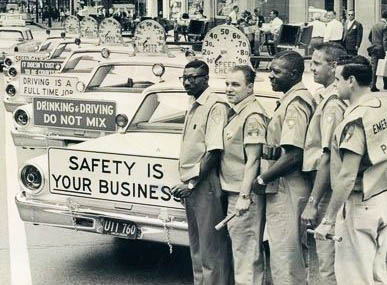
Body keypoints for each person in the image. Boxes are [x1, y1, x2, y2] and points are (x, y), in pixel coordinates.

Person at [315, 55, 387, 285]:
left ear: (351, 81)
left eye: (338, 79)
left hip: (359, 204)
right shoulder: (383, 104)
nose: (335, 84)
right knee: (379, 276)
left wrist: (329, 218)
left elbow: (346, 175)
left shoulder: (356, 119)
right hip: (383, 196)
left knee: (354, 277)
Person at [253, 50, 316, 284]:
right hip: (284, 184)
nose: (271, 76)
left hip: (287, 185)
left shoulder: (296, 103)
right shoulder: (291, 98)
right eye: (270, 70)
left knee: (285, 251)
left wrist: (262, 178)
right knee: (285, 249)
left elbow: (294, 154)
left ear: (295, 73)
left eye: (277, 71)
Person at [171, 60, 232, 285]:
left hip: (204, 184)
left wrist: (191, 184)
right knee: (196, 247)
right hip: (193, 186)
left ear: (206, 79)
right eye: (185, 77)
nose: (187, 82)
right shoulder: (193, 103)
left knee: (211, 249)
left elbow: (213, 152)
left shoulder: (214, 106)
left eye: (193, 77)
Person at [301, 42, 348, 285]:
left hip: (326, 191)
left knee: (326, 262)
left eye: (317, 63)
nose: (312, 68)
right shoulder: (326, 97)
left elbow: (328, 156)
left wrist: (313, 202)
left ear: (334, 67)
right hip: (325, 188)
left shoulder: (332, 103)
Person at [221, 65, 268, 285]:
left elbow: (254, 160)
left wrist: (244, 196)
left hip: (243, 194)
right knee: (241, 251)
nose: (229, 89)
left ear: (249, 87)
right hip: (233, 190)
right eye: (227, 84)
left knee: (247, 254)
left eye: (236, 84)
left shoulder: (252, 116)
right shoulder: (238, 111)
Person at [368, 10, 387, 92]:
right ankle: (386, 85)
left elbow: (370, 36)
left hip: (374, 48)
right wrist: (386, 50)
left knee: (374, 67)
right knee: (385, 66)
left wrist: (374, 43)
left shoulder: (375, 25)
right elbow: (385, 40)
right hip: (382, 49)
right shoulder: (385, 26)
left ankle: (372, 85)